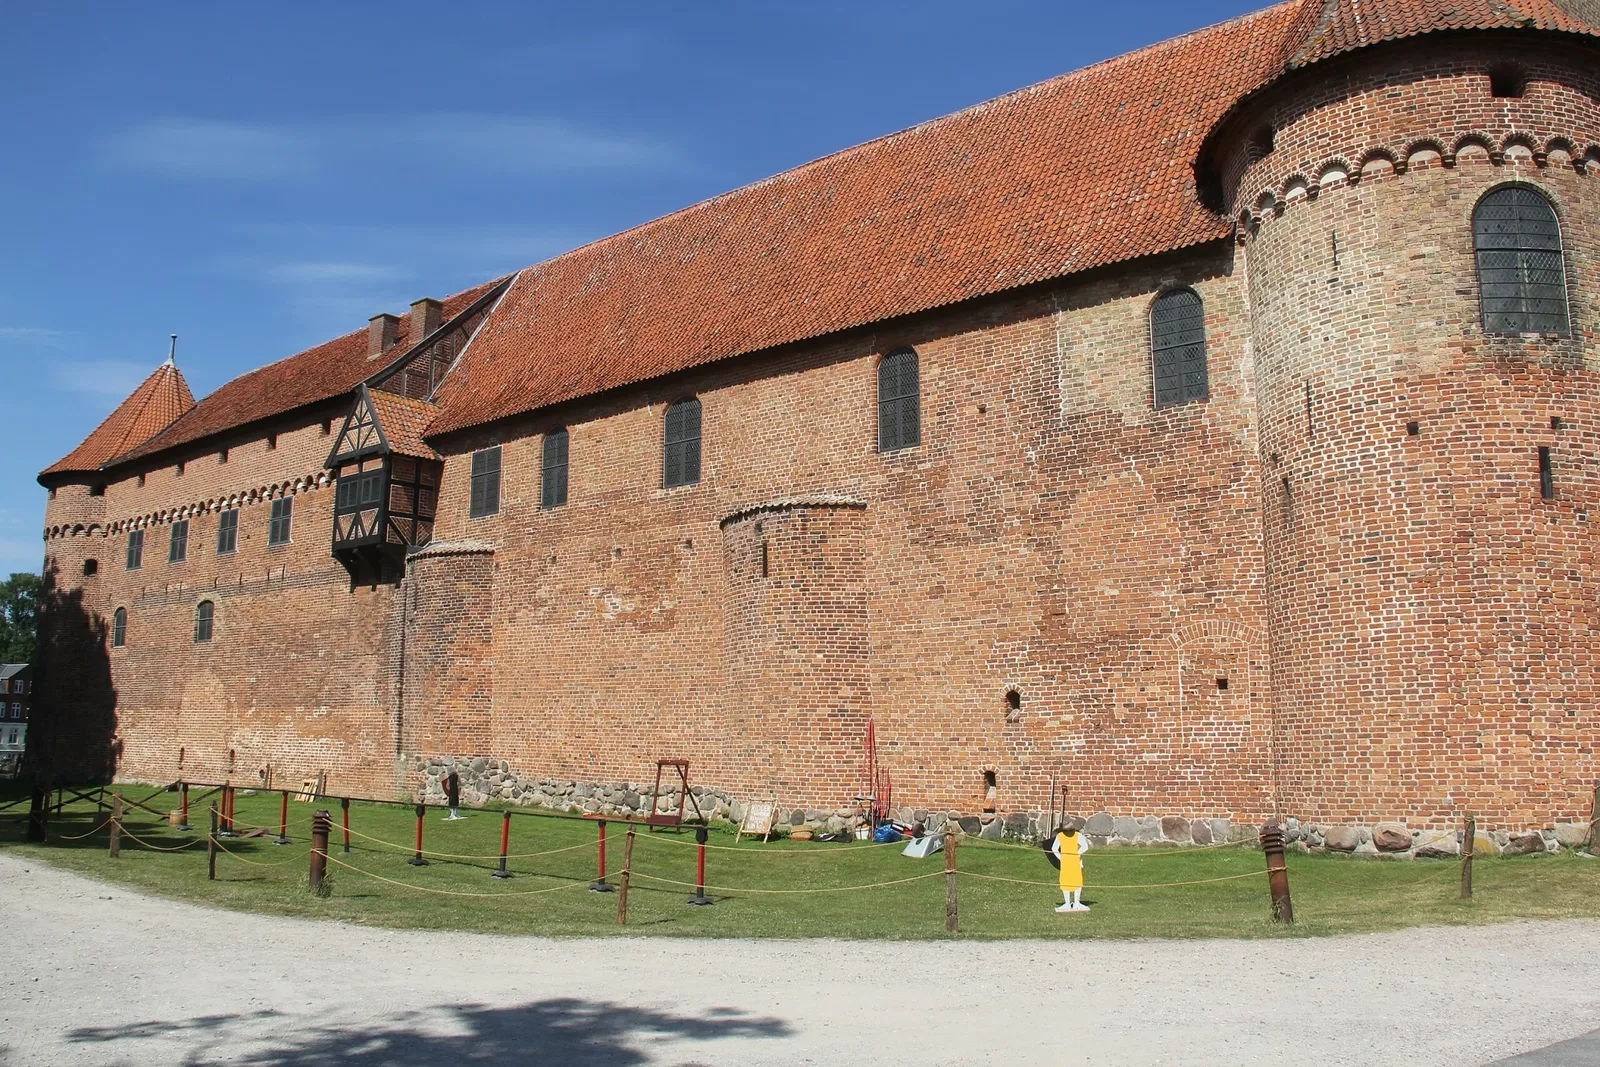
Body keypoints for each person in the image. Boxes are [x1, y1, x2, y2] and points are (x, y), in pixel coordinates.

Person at [1052, 824, 1090, 912]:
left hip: (1075, 861)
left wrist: (1077, 854)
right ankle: (1067, 903)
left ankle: (1076, 902)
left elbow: (1085, 847)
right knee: (1065, 880)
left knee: (1077, 880)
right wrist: (1062, 858)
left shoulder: (1077, 835)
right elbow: (1054, 848)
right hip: (1067, 861)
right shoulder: (1060, 836)